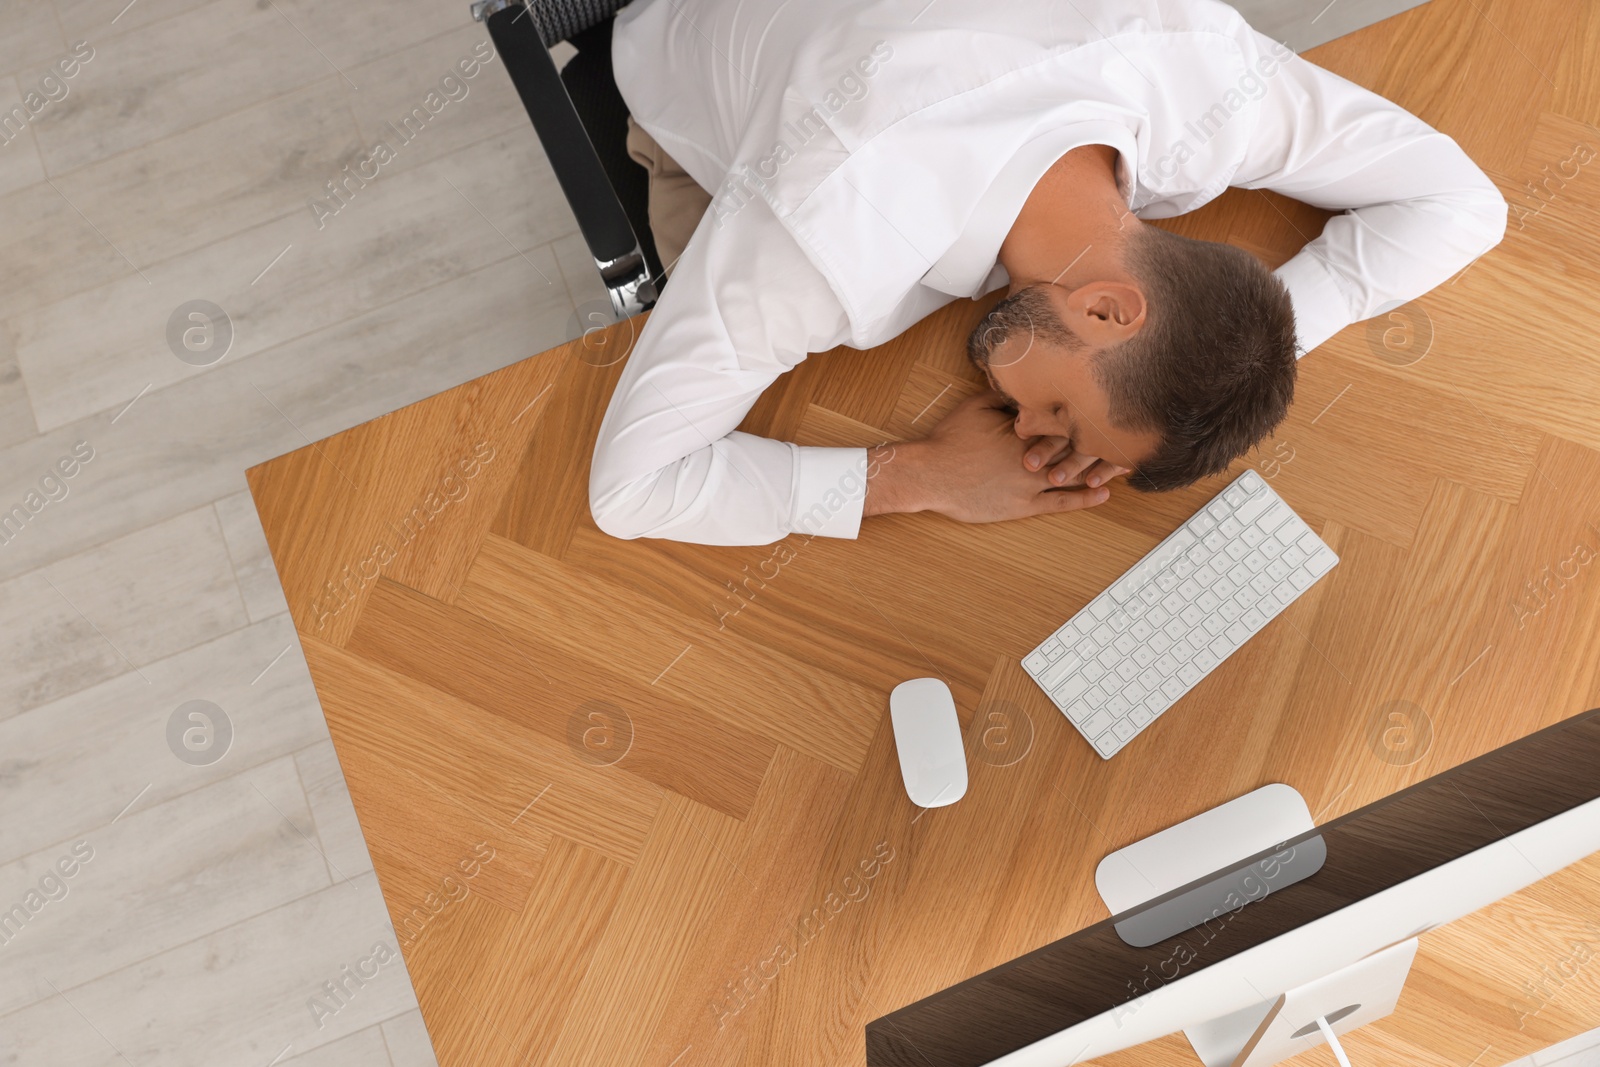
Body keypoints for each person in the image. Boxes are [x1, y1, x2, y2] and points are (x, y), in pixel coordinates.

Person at [587, 0, 1507, 547]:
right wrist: (915, 478)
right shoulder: (822, 235)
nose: (1026, 429)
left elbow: (1463, 203)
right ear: (1108, 307)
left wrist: (1252, 338)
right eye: (1061, 413)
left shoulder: (1199, 73)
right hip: (698, 66)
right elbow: (631, 486)